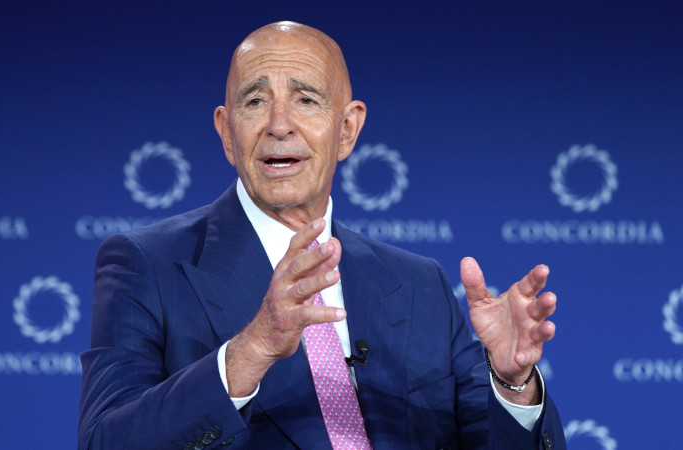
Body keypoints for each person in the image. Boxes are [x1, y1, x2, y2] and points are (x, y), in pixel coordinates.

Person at [78, 21, 564, 449]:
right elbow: (105, 441)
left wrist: (512, 385)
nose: (278, 126)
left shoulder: (421, 285)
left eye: (306, 100)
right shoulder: (148, 263)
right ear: (227, 132)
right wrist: (252, 350)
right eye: (255, 101)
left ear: (347, 129)